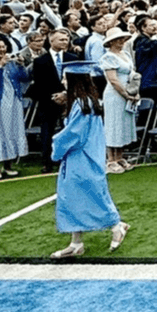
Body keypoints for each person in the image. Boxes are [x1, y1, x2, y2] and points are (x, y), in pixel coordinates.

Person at [50, 62, 129, 258]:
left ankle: (116, 225)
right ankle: (76, 242)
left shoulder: (82, 104)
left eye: (65, 78)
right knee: (73, 197)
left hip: (81, 157)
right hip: (87, 154)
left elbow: (73, 134)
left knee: (91, 194)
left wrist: (56, 146)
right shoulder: (87, 101)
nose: (63, 82)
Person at [27, 29, 78, 174]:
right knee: (47, 132)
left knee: (69, 130)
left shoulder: (73, 58)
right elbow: (39, 84)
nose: (65, 42)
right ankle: (47, 162)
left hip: (69, 100)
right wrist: (55, 97)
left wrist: (65, 95)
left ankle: (68, 159)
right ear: (51, 41)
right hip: (48, 101)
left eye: (66, 39)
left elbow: (76, 81)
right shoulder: (40, 61)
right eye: (61, 39)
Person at [99, 27, 140, 173]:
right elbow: (113, 80)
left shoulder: (126, 54)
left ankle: (120, 157)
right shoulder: (108, 57)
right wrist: (126, 95)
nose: (121, 42)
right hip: (115, 95)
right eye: (118, 40)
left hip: (129, 91)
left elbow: (132, 74)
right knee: (114, 125)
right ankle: (111, 160)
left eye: (122, 39)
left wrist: (135, 92)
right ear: (111, 42)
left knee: (124, 125)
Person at [0, 37, 30, 180]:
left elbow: (25, 77)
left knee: (12, 131)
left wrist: (21, 65)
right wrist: (0, 66)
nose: (2, 50)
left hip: (13, 101)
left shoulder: (11, 63)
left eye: (3, 47)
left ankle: (8, 165)